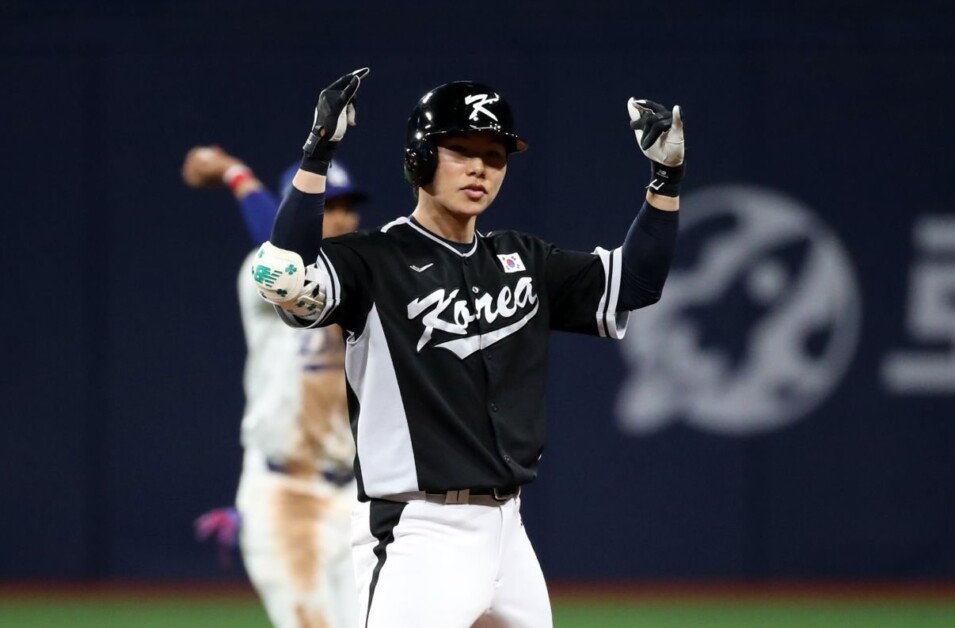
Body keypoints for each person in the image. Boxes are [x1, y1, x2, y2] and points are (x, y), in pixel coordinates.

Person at [251, 68, 684, 628]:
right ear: (419, 158)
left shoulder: (523, 259)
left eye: (495, 154)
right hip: (420, 531)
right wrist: (317, 156)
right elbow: (284, 277)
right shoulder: (372, 260)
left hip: (509, 529)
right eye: (460, 149)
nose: (480, 166)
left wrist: (666, 180)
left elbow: (635, 283)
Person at [182, 146, 366, 628]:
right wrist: (236, 174)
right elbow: (286, 259)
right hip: (285, 495)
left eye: (348, 207)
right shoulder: (262, 276)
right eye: (328, 207)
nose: (343, 218)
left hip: (355, 499)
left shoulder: (363, 284)